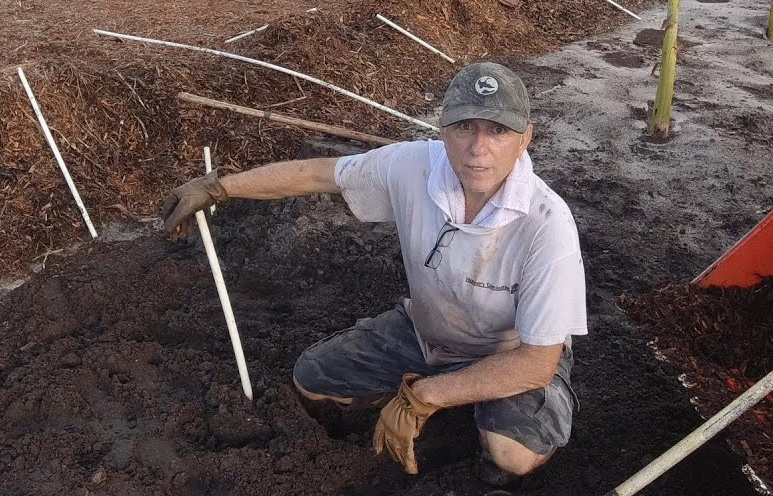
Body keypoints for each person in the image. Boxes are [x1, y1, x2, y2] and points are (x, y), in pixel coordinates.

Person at [161, 62, 587, 488]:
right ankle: (407, 397)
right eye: (464, 127)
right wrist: (220, 188)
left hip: (508, 353)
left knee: (512, 453)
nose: (479, 148)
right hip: (425, 333)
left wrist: (424, 396)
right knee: (312, 380)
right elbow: (317, 174)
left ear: (525, 138)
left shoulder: (546, 225)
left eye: (498, 130)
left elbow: (535, 364)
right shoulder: (412, 166)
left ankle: (475, 443)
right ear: (442, 130)